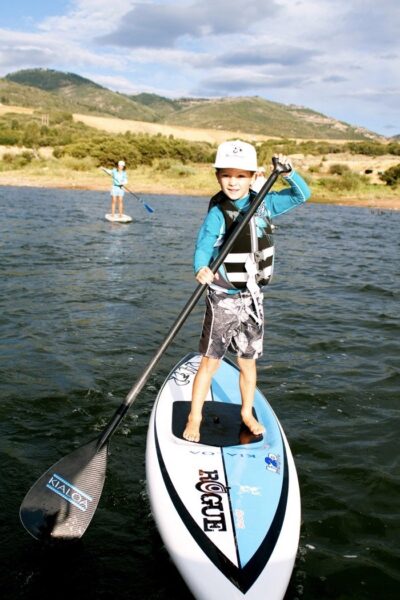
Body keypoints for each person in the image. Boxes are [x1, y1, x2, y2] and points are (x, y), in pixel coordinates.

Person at [183, 140, 311, 443]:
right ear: (218, 177)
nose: (233, 182)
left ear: (254, 177)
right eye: (226, 175)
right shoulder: (219, 212)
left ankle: (246, 413)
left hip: (253, 299)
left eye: (241, 176)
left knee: (247, 361)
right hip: (224, 298)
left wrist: (289, 173)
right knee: (211, 361)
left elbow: (302, 194)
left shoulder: (265, 203)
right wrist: (201, 267)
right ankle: (195, 415)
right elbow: (203, 244)